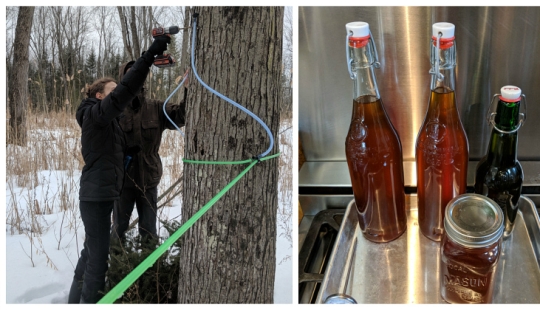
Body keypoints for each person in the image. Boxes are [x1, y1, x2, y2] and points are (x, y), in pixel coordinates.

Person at [68, 35, 170, 304]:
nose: (120, 94)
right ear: (100, 95)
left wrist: (127, 156)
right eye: (114, 90)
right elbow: (125, 92)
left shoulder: (107, 122)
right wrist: (149, 56)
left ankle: (72, 302)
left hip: (101, 195)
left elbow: (107, 152)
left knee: (90, 253)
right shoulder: (94, 114)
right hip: (96, 198)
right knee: (97, 264)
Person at [111, 58, 186, 242]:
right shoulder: (113, 110)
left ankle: (149, 268)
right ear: (123, 80)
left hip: (149, 179)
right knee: (118, 228)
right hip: (122, 182)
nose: (135, 78)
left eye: (138, 74)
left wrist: (187, 89)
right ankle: (116, 266)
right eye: (130, 75)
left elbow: (181, 116)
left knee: (149, 230)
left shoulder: (157, 107)